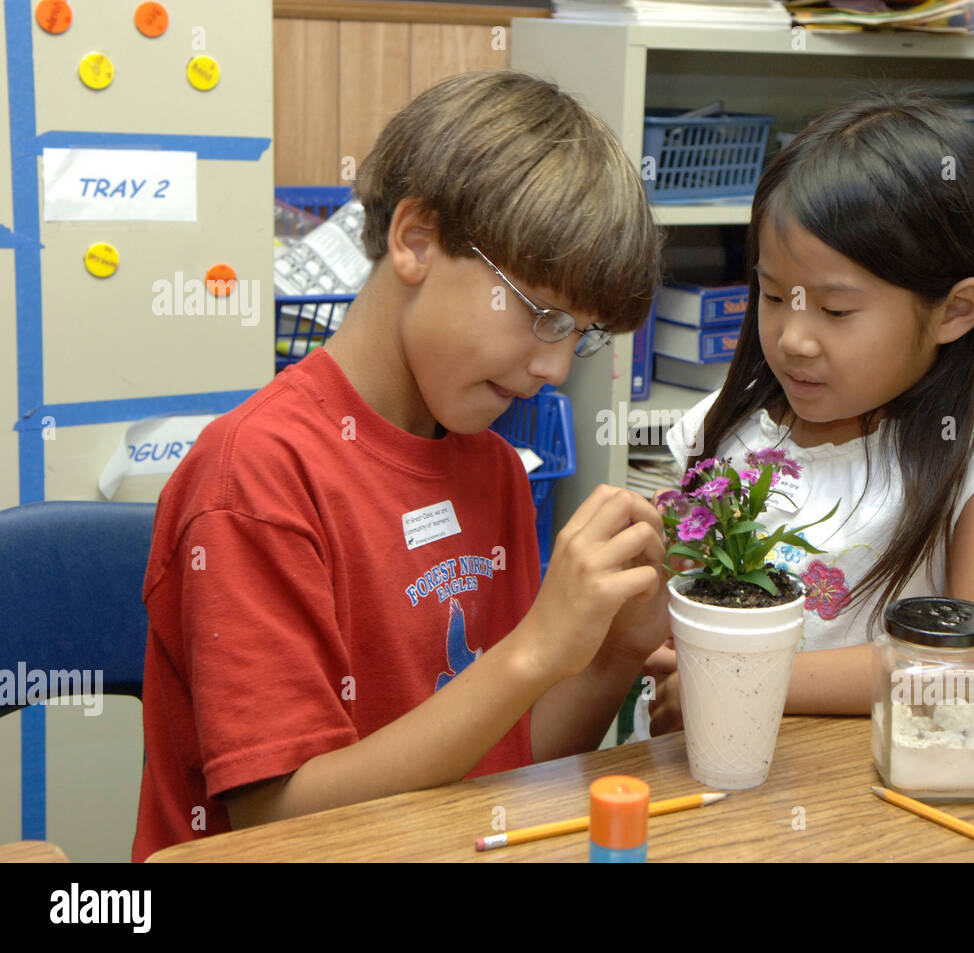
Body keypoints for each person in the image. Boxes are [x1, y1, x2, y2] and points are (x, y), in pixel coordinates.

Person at [132, 70, 668, 860]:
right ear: (416, 239)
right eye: (543, 314)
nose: (557, 367)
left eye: (580, 335)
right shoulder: (255, 477)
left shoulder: (493, 469)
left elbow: (509, 763)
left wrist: (611, 652)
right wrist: (533, 652)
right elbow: (283, 823)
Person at [646, 92, 974, 730]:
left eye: (836, 311)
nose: (793, 338)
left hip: (879, 790)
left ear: (955, 310)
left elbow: (971, 668)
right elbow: (678, 631)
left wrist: (737, 678)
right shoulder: (717, 431)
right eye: (772, 295)